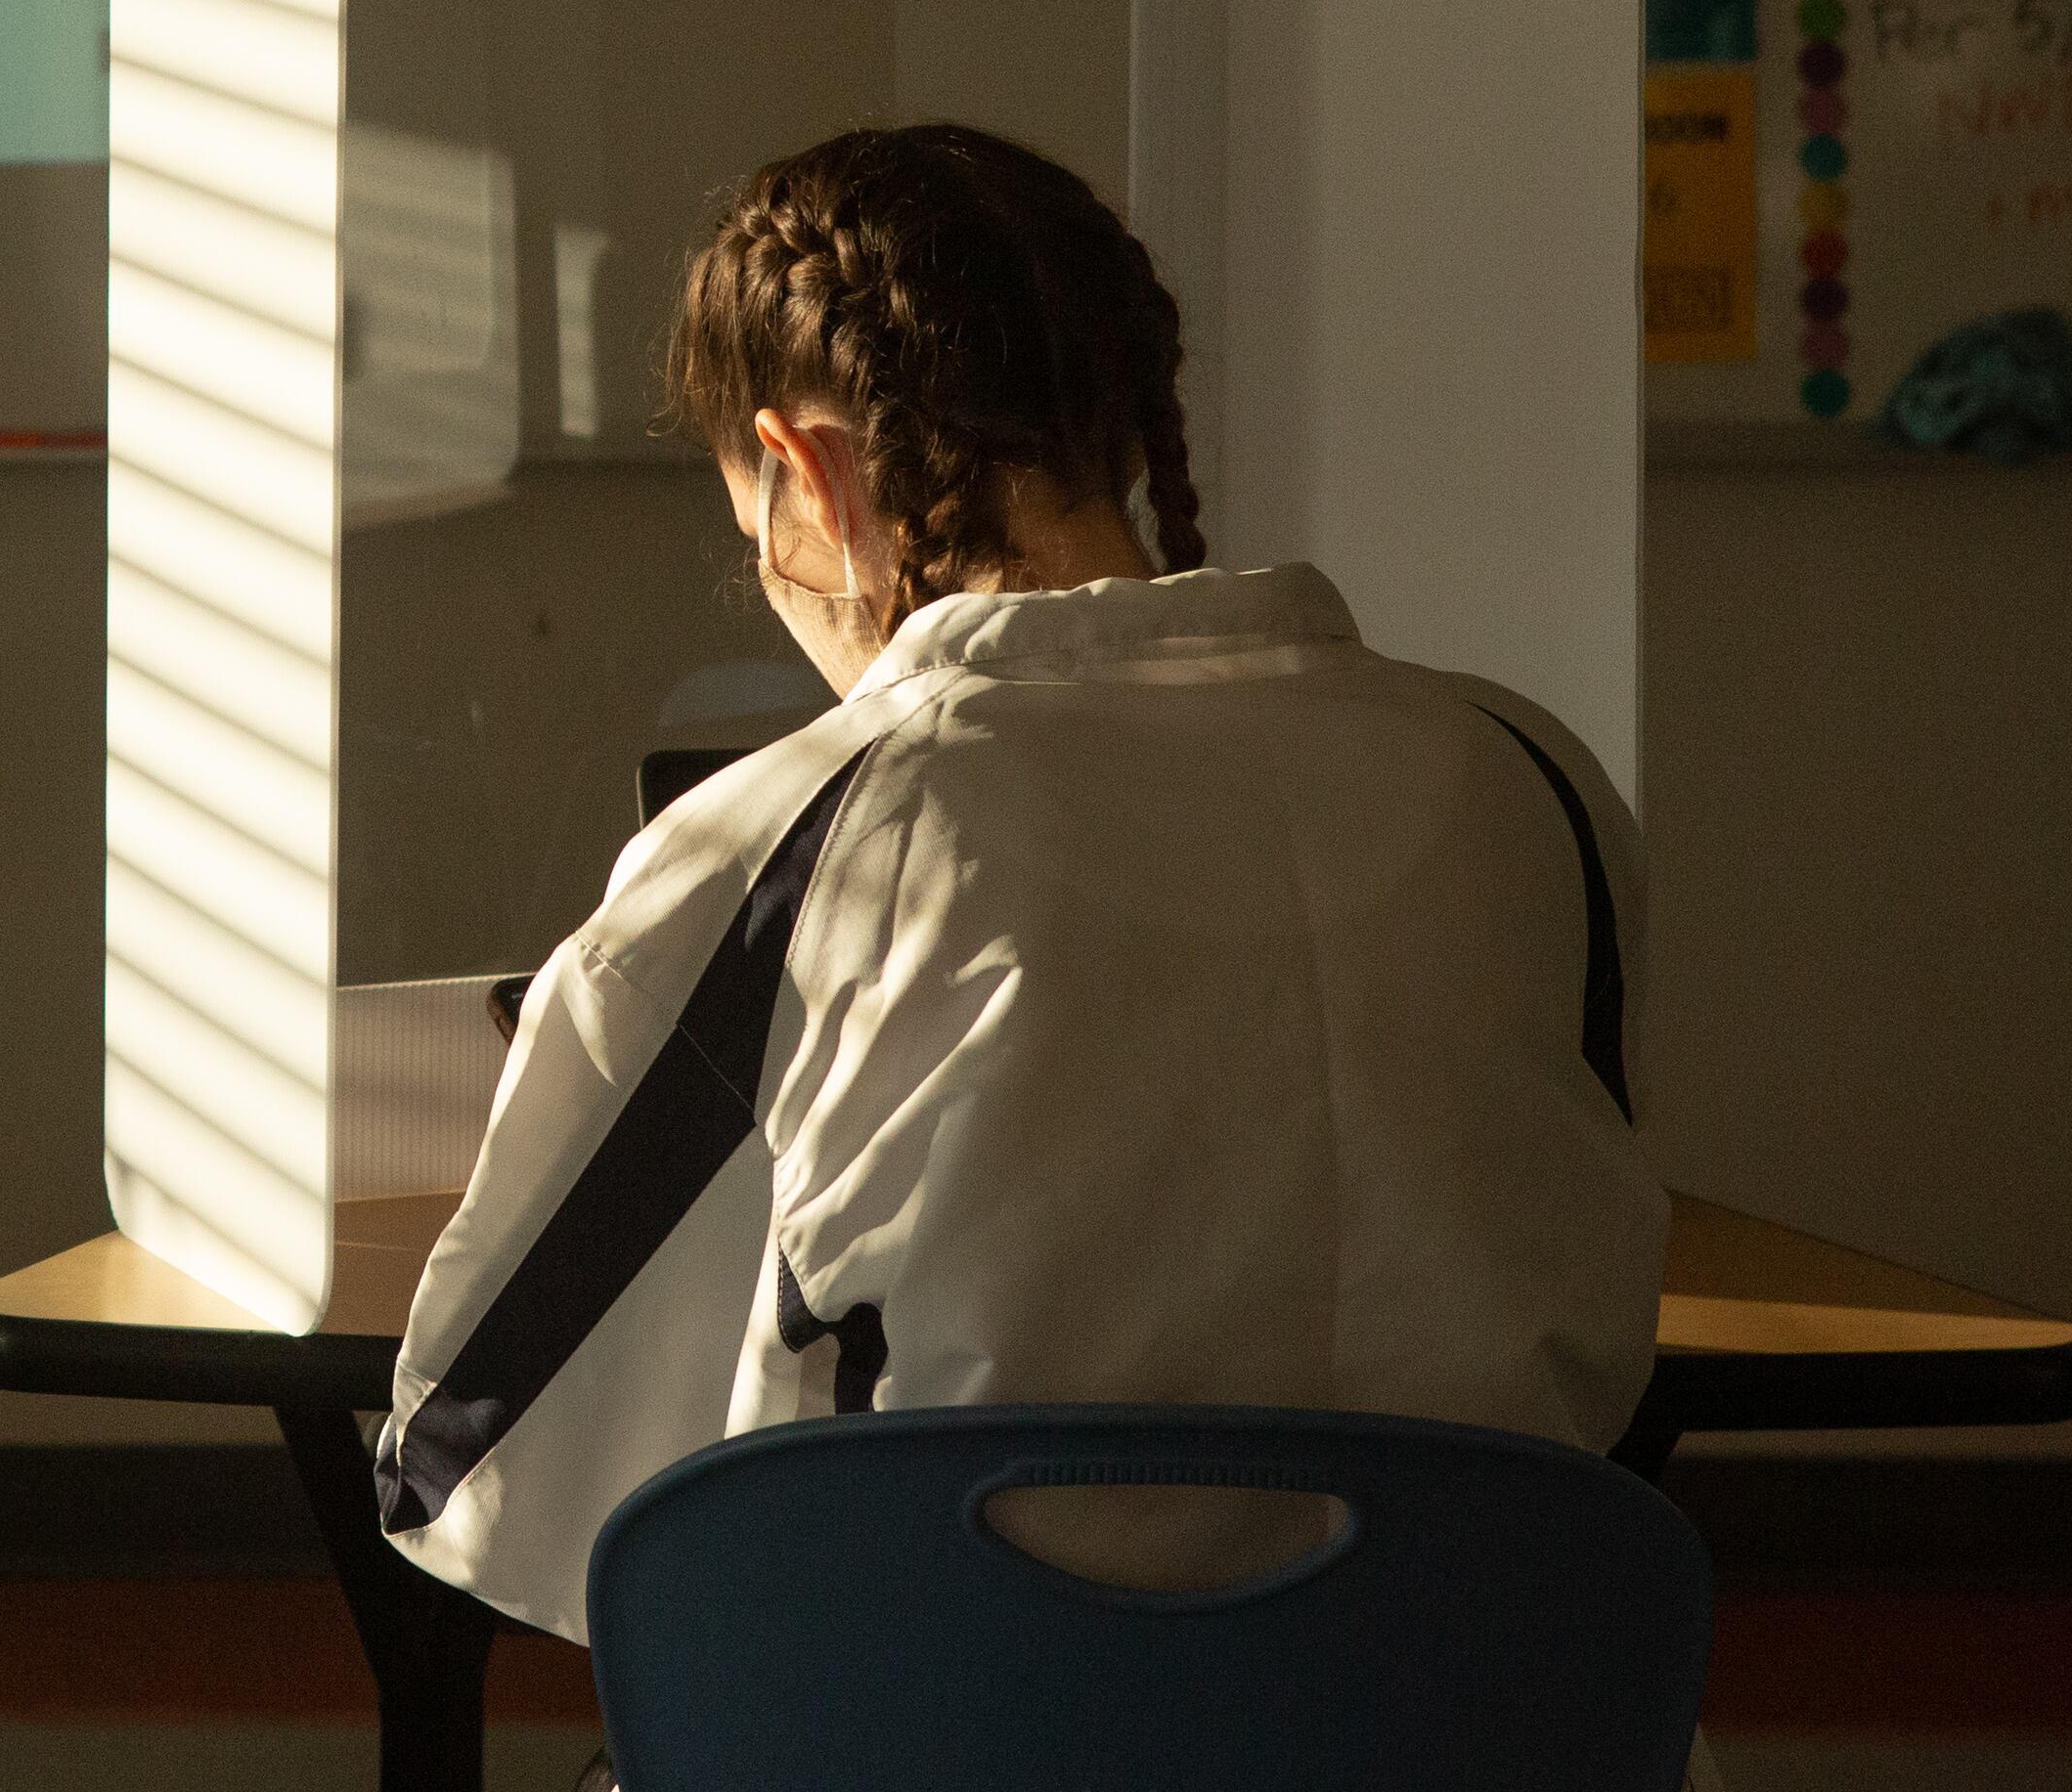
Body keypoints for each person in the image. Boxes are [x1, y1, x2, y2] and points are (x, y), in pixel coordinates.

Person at [378, 124, 1666, 1660]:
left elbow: (474, 1453)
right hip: (1495, 1741)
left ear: (805, 471)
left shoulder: (808, 838)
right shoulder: (1530, 781)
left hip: (974, 1749)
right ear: (1123, 424)